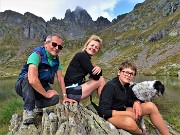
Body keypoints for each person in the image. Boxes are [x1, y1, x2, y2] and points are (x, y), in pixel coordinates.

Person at [15, 34, 75, 124]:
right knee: (28, 77)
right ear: (46, 43)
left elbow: (60, 78)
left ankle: (36, 105)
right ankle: (28, 110)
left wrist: (65, 97)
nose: (57, 48)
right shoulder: (36, 54)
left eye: (60, 46)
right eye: (54, 44)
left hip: (41, 85)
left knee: (55, 98)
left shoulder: (56, 60)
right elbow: (32, 80)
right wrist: (46, 94)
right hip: (23, 85)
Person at [98, 61, 170, 135]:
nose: (129, 75)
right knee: (129, 122)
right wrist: (127, 113)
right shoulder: (110, 86)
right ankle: (142, 133)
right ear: (119, 72)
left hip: (122, 110)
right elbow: (103, 111)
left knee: (151, 106)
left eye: (132, 74)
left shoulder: (126, 85)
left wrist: (136, 102)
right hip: (110, 116)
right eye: (126, 72)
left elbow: (129, 100)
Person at [63, 35, 106, 102]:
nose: (93, 48)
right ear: (86, 45)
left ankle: (104, 104)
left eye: (96, 47)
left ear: (98, 50)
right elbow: (96, 77)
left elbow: (93, 76)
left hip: (71, 90)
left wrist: (97, 69)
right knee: (101, 80)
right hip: (72, 92)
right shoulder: (82, 56)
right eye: (92, 45)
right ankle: (105, 106)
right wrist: (99, 70)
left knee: (97, 79)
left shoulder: (84, 56)